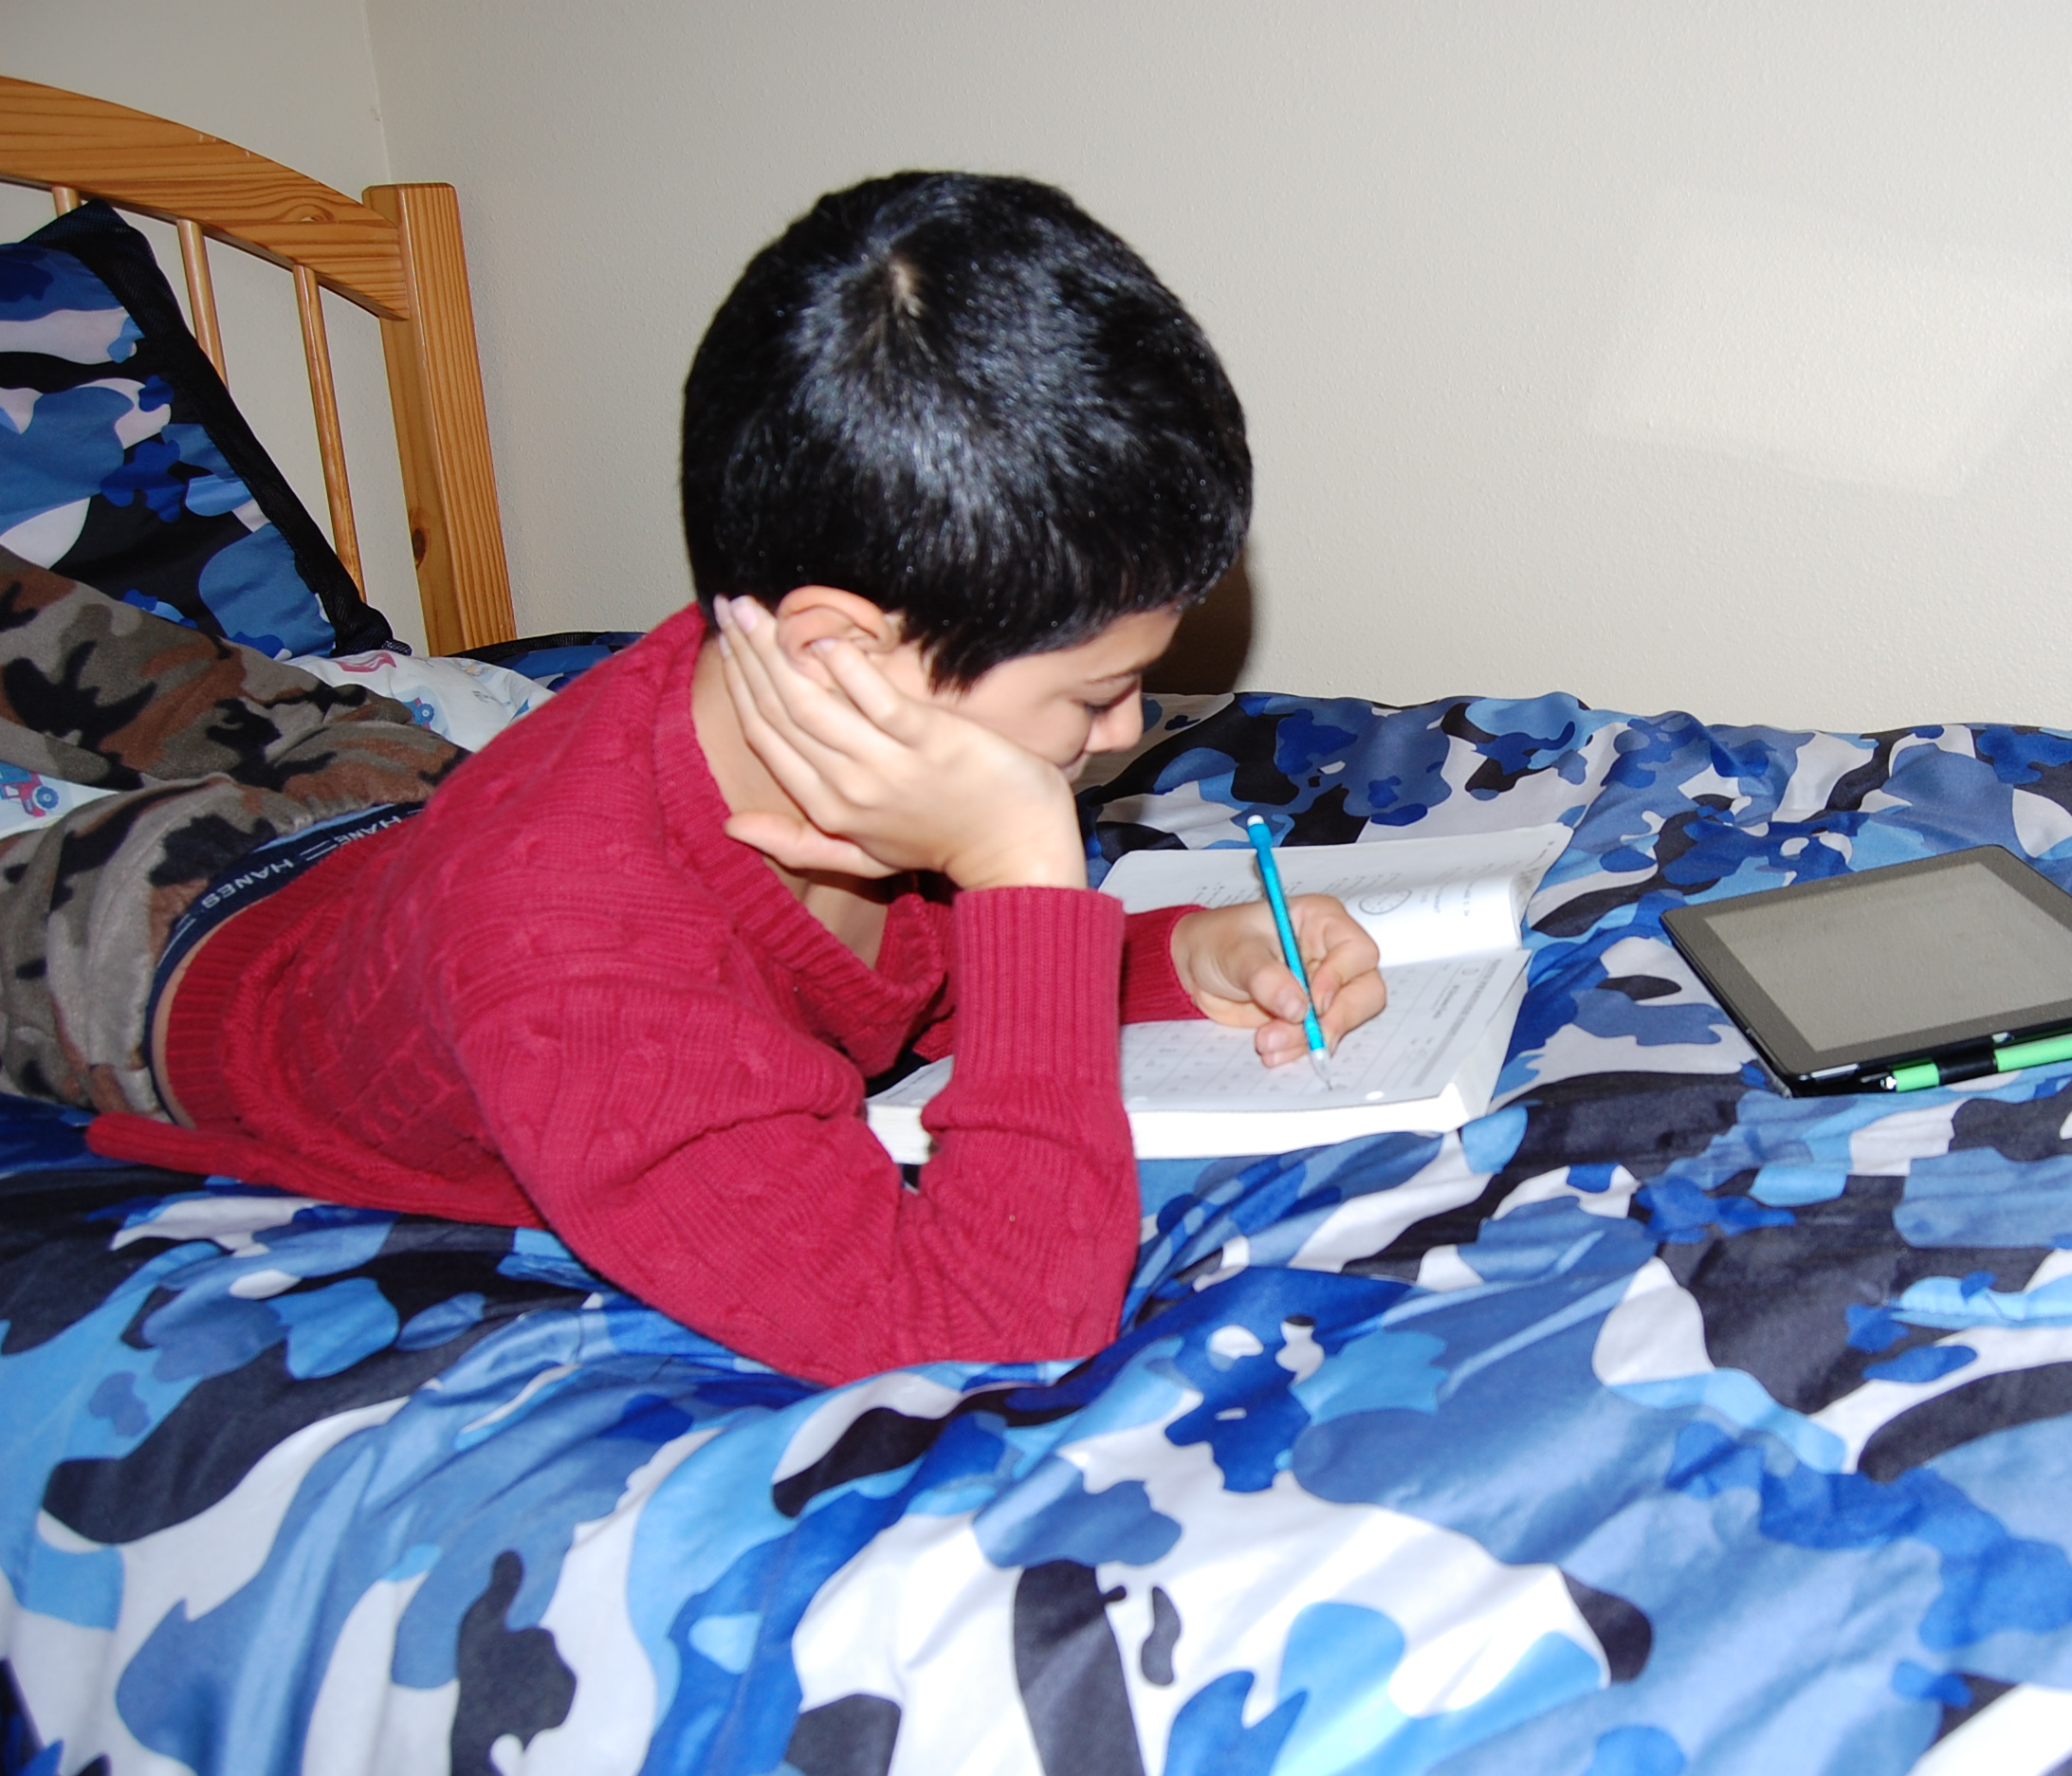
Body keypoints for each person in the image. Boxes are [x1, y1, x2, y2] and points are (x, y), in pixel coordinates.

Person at [0, 173, 1384, 1385]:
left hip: (397, 802)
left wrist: (1171, 955)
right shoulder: (581, 977)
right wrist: (1030, 870)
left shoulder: (782, 697)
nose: (1126, 729)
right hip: (151, 937)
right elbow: (998, 1326)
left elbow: (905, 970)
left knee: (180, 679)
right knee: (99, 695)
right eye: (1091, 694)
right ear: (839, 650)